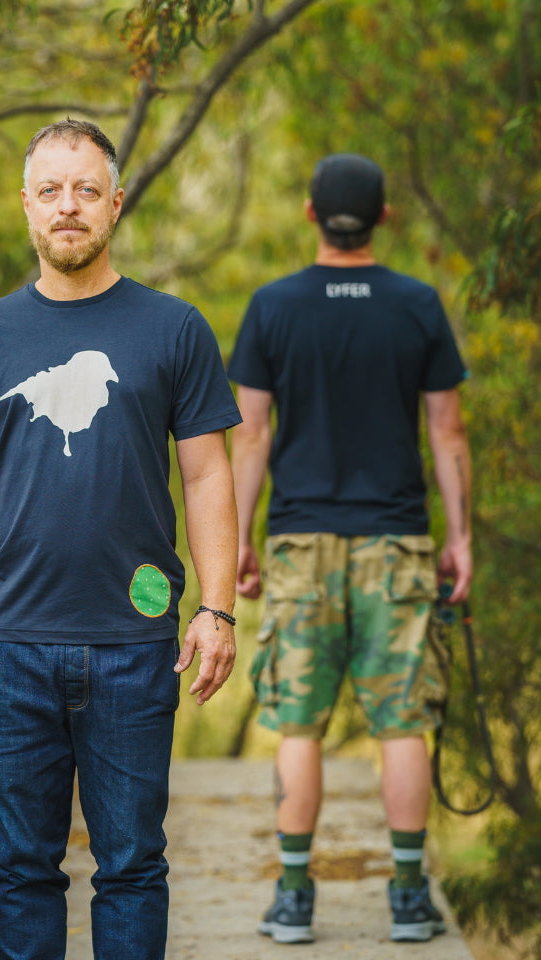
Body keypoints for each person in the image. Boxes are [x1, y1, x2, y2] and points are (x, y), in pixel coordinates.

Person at [0, 119, 241, 960]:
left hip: (135, 646)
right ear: (26, 205)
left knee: (131, 866)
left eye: (87, 190)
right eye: (52, 191)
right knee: (22, 867)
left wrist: (217, 609)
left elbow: (208, 476)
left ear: (116, 203)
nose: (69, 206)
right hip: (13, 646)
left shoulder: (175, 328)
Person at [228, 153, 472, 944]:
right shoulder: (417, 305)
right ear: (383, 218)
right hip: (396, 542)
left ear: (311, 215)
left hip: (299, 543)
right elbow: (447, 430)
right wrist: (459, 538)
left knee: (299, 727)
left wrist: (238, 539)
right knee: (402, 725)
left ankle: (294, 899)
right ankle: (407, 898)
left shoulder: (272, 307)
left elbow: (250, 434)